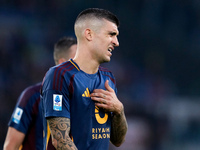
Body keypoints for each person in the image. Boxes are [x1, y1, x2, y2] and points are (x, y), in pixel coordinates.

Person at [41, 8, 128, 150]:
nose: (116, 42)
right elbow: (60, 140)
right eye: (111, 34)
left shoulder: (108, 78)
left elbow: (118, 141)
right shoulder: (60, 75)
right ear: (89, 34)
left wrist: (119, 110)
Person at [3, 36, 77, 150]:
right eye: (77, 59)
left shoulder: (85, 98)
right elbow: (10, 146)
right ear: (63, 63)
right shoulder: (32, 96)